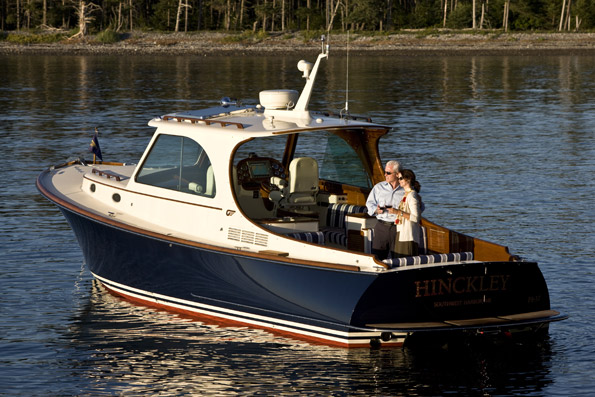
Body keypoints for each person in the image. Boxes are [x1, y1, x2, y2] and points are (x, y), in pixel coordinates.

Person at [365, 160, 404, 260]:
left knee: (399, 258)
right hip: (382, 227)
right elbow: (369, 203)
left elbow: (420, 207)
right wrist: (376, 210)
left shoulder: (406, 189)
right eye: (385, 172)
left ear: (397, 174)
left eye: (388, 173)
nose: (385, 174)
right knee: (377, 258)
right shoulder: (378, 187)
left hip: (400, 228)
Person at [391, 169, 422, 257]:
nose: (399, 181)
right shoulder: (407, 194)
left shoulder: (412, 195)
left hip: (408, 235)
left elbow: (416, 217)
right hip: (402, 232)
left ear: (408, 180)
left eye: (400, 178)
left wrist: (398, 212)